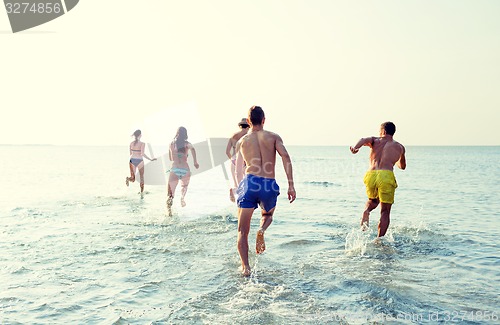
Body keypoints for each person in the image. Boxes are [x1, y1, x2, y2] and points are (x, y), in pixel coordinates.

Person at [235, 106, 296, 276]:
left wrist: (238, 188)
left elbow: (238, 170)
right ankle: (261, 231)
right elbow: (286, 157)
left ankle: (246, 268)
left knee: (242, 231)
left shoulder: (242, 142)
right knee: (267, 216)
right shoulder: (274, 137)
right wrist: (291, 185)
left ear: (248, 121)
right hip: (268, 184)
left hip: (249, 183)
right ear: (264, 120)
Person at [350, 121, 406, 237]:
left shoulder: (375, 140)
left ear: (383, 131)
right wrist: (393, 161)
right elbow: (402, 166)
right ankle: (379, 240)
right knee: (385, 211)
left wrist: (356, 148)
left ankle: (366, 212)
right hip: (386, 175)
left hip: (371, 174)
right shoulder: (399, 147)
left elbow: (363, 139)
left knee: (373, 201)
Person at [166, 126, 199, 216]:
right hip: (185, 169)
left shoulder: (171, 144)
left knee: (170, 194)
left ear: (177, 133)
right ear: (185, 134)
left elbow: (170, 158)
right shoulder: (187, 144)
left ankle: (169, 213)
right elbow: (193, 149)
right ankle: (182, 198)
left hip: (175, 169)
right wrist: (195, 162)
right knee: (184, 186)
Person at [126, 130, 157, 198]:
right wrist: (150, 159)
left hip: (132, 160)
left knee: (133, 179)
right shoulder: (142, 144)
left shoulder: (131, 143)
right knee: (141, 178)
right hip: (140, 161)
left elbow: (130, 154)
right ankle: (142, 194)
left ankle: (128, 179)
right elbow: (142, 154)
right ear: (140, 135)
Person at [225, 118, 250, 202]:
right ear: (248, 126)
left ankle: (233, 190)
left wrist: (232, 161)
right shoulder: (247, 136)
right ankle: (243, 204)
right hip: (243, 160)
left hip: (233, 160)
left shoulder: (233, 136)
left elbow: (227, 151)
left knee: (237, 184)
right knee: (245, 184)